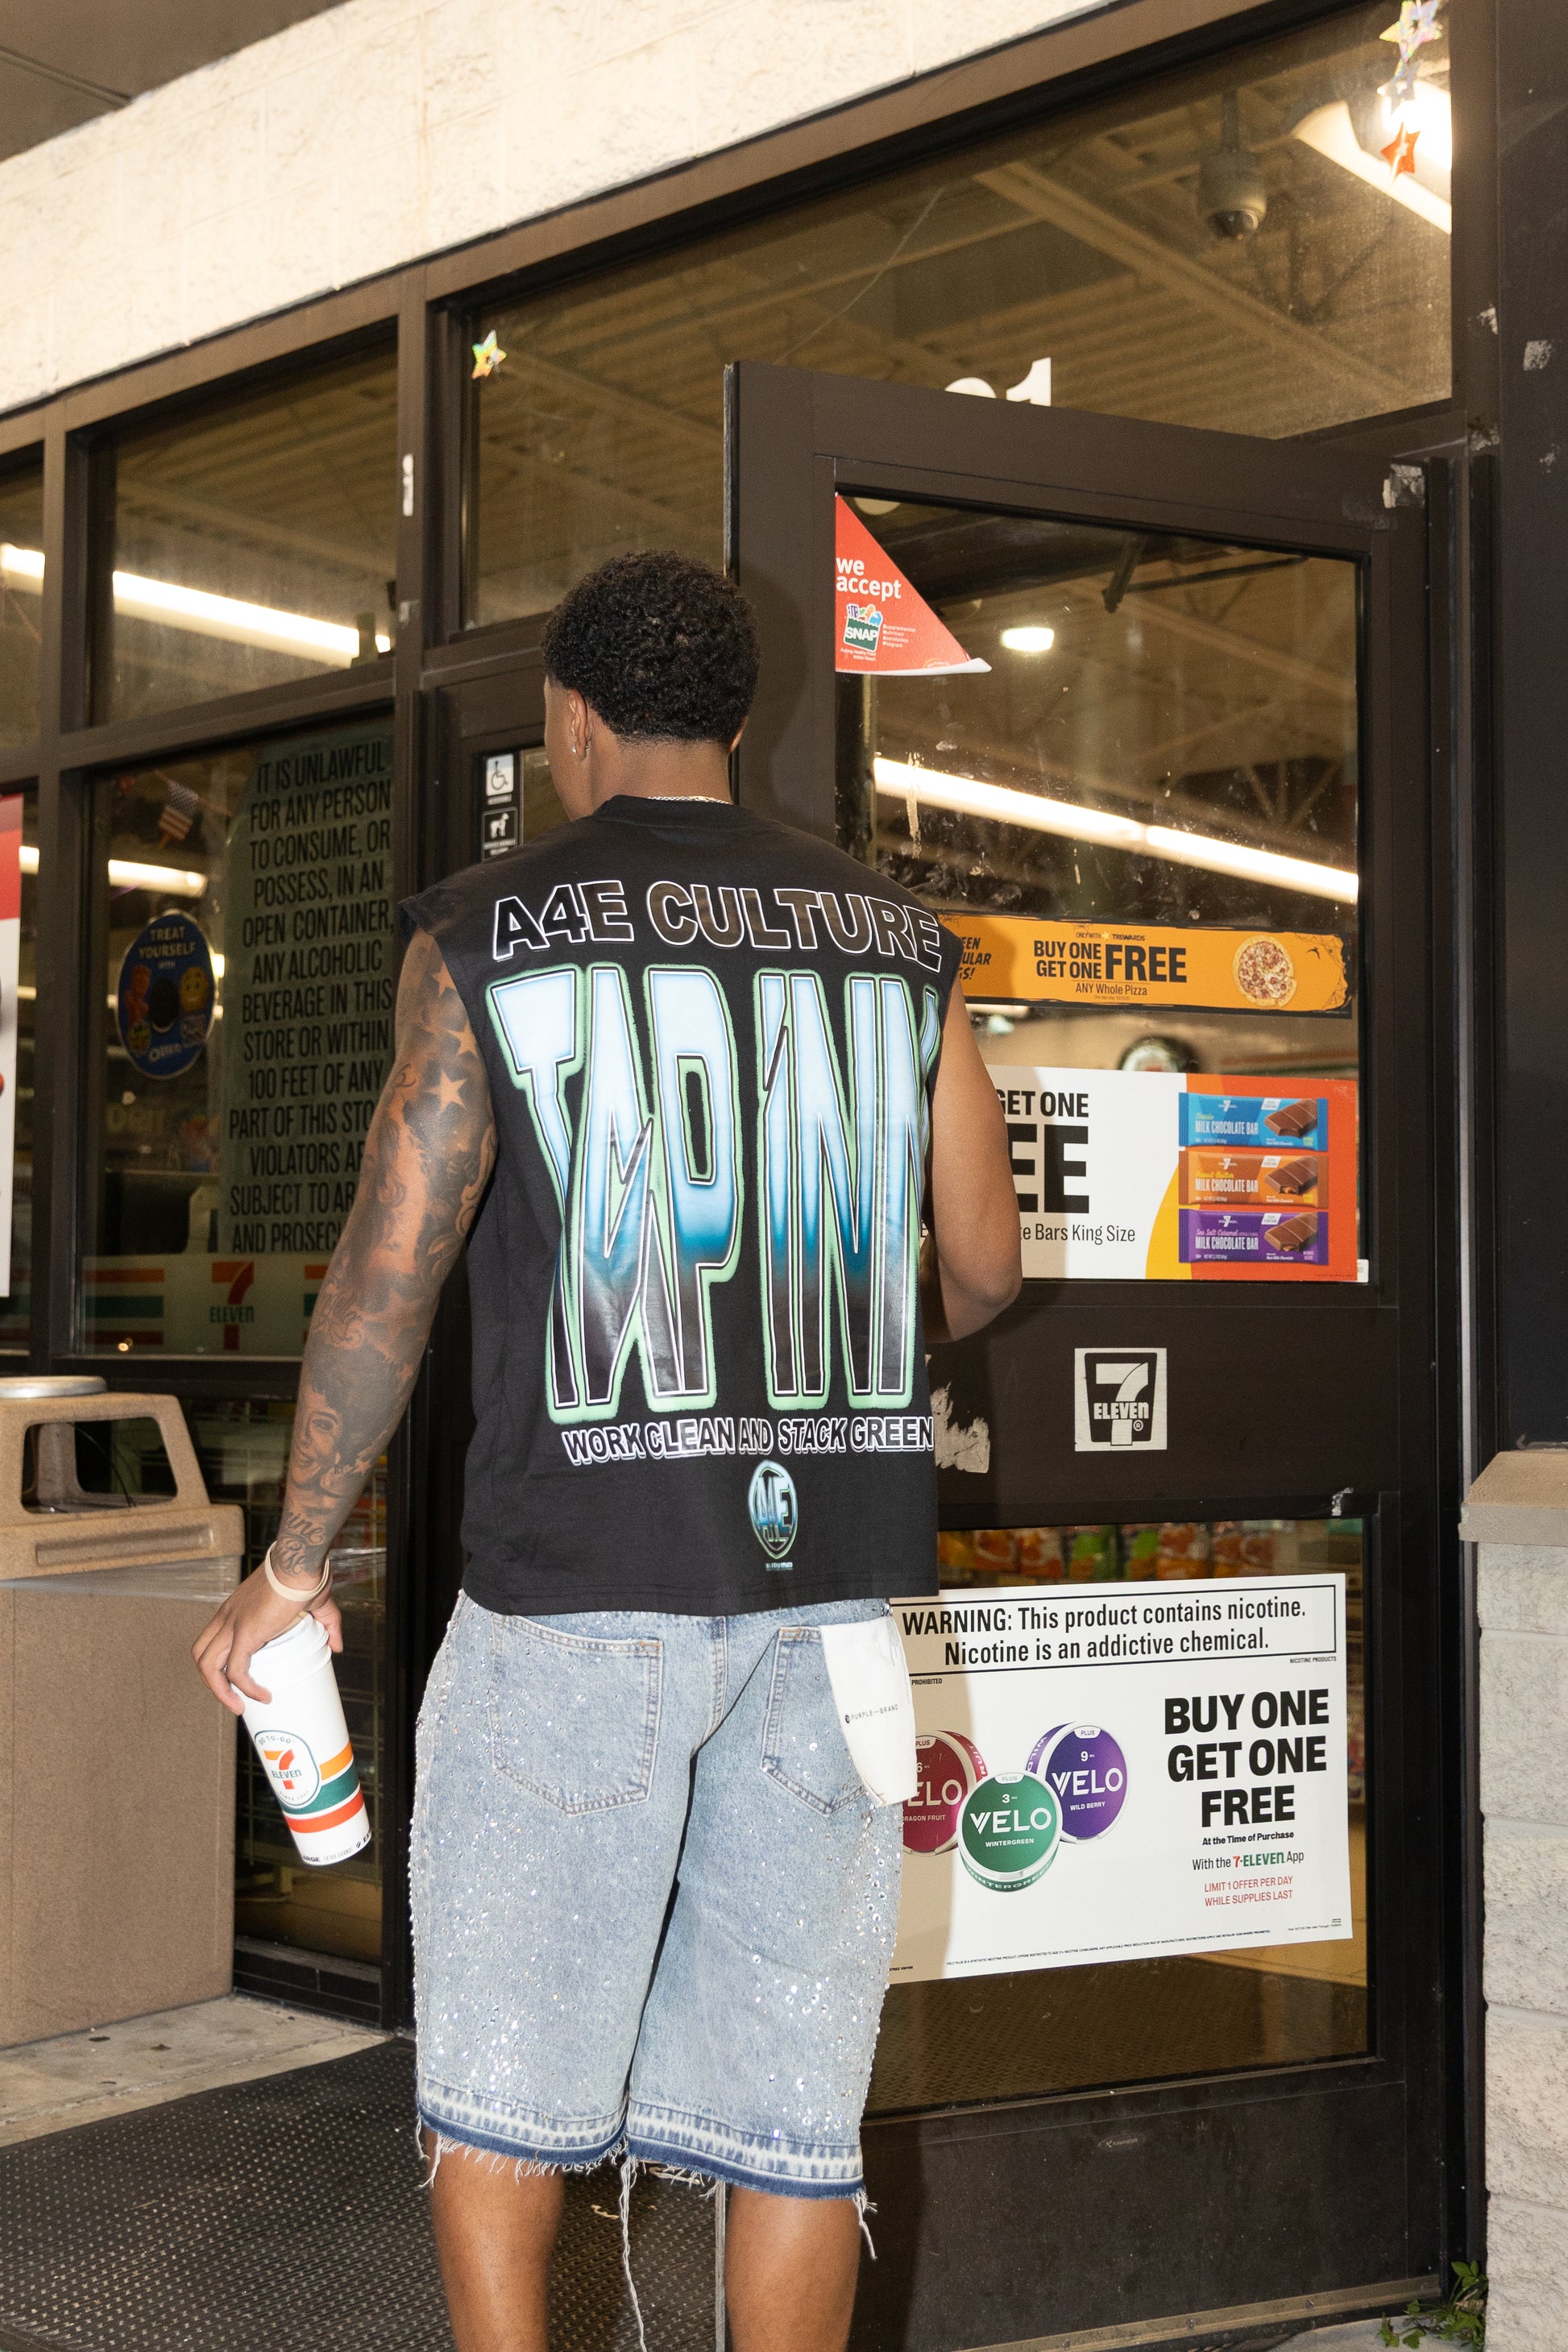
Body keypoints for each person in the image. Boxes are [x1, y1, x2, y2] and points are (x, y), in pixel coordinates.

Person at [193, 551, 1021, 2352]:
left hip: (574, 1597)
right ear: (734, 716)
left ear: (569, 719)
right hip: (831, 1609)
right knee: (792, 2119)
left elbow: (387, 1275)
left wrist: (293, 1563)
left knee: (506, 2086)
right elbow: (981, 1265)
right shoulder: (900, 944)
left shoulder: (488, 933)